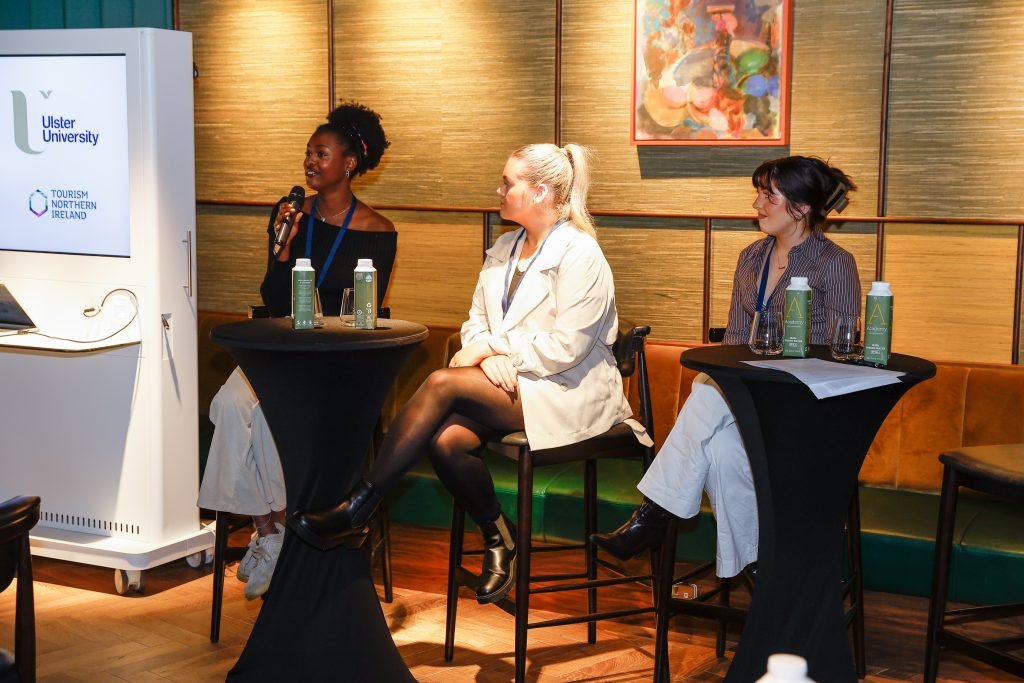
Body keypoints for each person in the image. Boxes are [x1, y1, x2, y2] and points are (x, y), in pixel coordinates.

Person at [289, 143, 652, 604]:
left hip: (569, 388)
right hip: (513, 383)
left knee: (442, 383)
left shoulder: (581, 254)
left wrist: (494, 348)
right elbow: (475, 322)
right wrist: (485, 352)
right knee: (446, 442)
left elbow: (567, 347)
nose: (499, 190)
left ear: (540, 192)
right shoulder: (504, 247)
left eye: (508, 183)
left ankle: (358, 508)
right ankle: (500, 534)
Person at [591, 155, 860, 579]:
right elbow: (734, 341)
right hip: (749, 397)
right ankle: (759, 572)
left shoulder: (834, 263)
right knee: (718, 443)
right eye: (759, 193)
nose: (757, 204)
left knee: (706, 390)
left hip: (803, 406)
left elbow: (837, 355)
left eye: (768, 195)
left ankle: (652, 515)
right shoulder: (751, 257)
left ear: (802, 207)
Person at [197, 102, 396, 600]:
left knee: (270, 415)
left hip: (334, 360)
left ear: (349, 163)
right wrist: (282, 246)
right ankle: (269, 531)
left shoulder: (377, 230)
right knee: (229, 404)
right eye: (308, 153)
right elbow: (271, 296)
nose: (310, 162)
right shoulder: (290, 215)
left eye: (321, 154)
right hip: (281, 346)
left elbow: (368, 312)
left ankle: (279, 530)